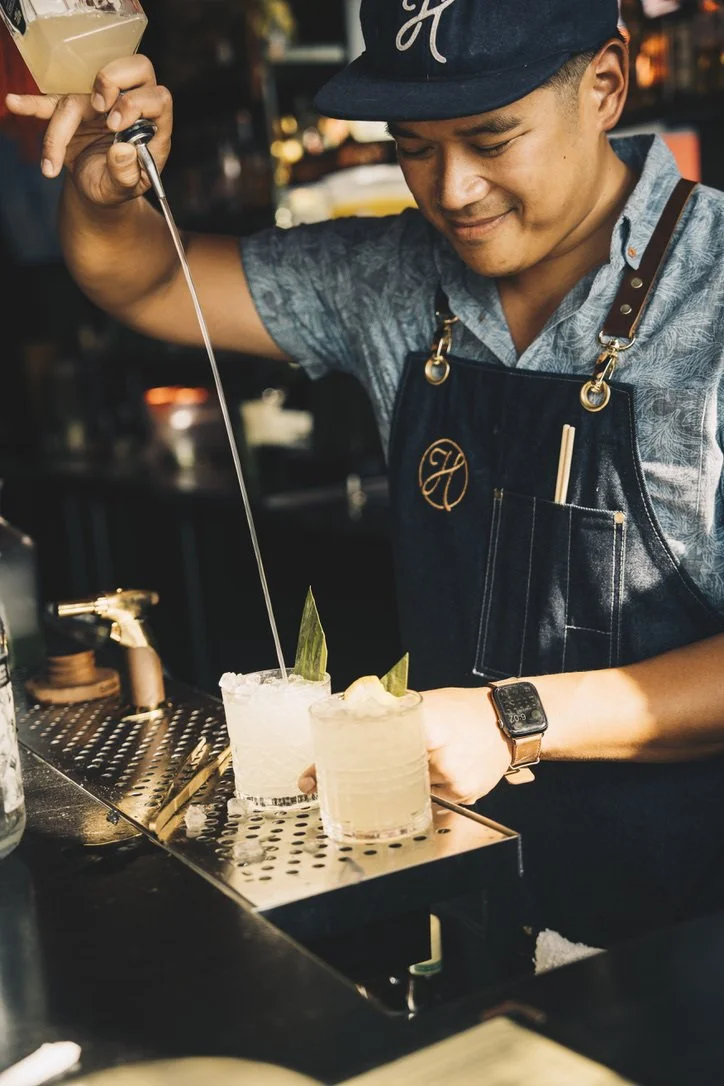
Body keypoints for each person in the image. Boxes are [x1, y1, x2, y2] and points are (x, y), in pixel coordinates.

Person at [7, 0, 724, 950]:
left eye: (489, 137)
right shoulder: (395, 277)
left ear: (604, 84)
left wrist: (518, 719)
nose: (453, 190)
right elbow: (140, 278)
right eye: (414, 147)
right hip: (472, 901)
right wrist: (108, 187)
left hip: (691, 933)